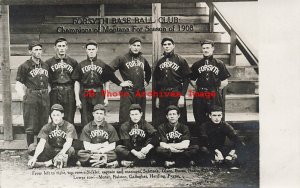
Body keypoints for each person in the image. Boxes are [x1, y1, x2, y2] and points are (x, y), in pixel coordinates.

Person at [71, 40, 129, 129]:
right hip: (85, 94)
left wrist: (106, 97)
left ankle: (99, 138)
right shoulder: (81, 65)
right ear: (86, 50)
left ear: (97, 49)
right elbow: (77, 82)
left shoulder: (102, 64)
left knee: (99, 116)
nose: (91, 51)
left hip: (98, 94)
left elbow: (107, 81)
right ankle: (87, 140)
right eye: (89, 49)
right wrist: (77, 99)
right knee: (85, 119)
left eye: (93, 49)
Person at [109, 37, 152, 124]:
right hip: (128, 92)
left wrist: (147, 81)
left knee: (140, 117)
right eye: (134, 45)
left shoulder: (142, 59)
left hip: (140, 92)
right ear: (129, 46)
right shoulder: (122, 58)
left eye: (138, 45)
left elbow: (148, 71)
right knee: (125, 117)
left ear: (140, 47)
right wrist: (120, 83)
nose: (136, 47)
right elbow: (108, 70)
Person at [15, 41, 50, 147]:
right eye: (36, 50)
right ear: (30, 51)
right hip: (31, 96)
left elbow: (49, 83)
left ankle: (40, 148)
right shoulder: (25, 66)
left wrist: (47, 92)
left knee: (43, 122)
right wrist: (24, 97)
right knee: (30, 123)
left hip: (44, 96)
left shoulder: (45, 65)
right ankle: (31, 149)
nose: (39, 52)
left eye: (40, 49)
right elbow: (18, 84)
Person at [190, 39, 231, 128]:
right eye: (204, 48)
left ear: (213, 49)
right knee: (199, 116)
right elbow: (192, 79)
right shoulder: (197, 64)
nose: (205, 50)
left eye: (208, 48)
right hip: (200, 93)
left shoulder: (219, 63)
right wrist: (198, 88)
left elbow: (225, 81)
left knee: (215, 116)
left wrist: (215, 89)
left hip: (213, 93)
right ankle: (203, 139)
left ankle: (215, 139)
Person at [153, 37, 191, 127]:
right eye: (165, 45)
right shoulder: (160, 61)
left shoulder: (180, 60)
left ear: (173, 46)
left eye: (169, 44)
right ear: (162, 46)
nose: (167, 46)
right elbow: (157, 80)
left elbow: (186, 79)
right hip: (163, 92)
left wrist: (182, 96)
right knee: (163, 117)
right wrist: (158, 97)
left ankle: (182, 138)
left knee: (179, 116)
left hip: (176, 91)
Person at [27, 104, 77, 168]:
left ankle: (47, 163)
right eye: (54, 115)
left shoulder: (69, 126)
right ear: (51, 116)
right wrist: (34, 157)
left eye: (58, 115)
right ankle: (54, 161)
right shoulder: (47, 127)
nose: (56, 118)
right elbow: (41, 143)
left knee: (71, 151)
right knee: (32, 147)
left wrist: (61, 154)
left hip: (63, 150)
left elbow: (68, 142)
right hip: (51, 150)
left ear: (62, 115)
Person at [45, 37, 78, 124]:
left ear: (67, 47)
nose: (61, 48)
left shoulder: (73, 62)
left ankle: (69, 137)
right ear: (55, 48)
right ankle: (56, 136)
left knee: (69, 117)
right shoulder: (48, 63)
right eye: (59, 46)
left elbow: (76, 81)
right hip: (55, 91)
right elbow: (47, 80)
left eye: (63, 46)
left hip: (69, 91)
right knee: (55, 115)